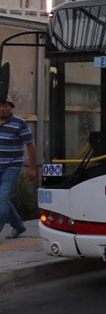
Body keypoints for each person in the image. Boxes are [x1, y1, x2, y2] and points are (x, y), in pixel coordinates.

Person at [0, 98, 37, 239]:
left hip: (12, 166)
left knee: (2, 199)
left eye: (6, 106)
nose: (3, 109)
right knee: (4, 201)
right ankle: (19, 226)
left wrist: (32, 168)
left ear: (11, 107)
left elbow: (30, 145)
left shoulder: (19, 123)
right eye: (0, 106)